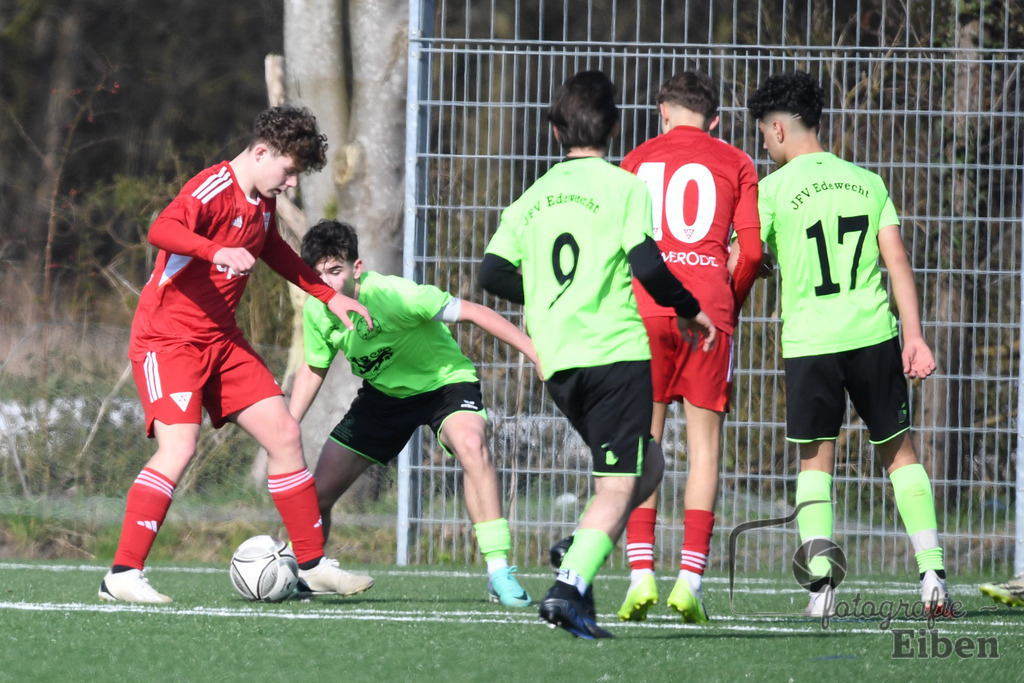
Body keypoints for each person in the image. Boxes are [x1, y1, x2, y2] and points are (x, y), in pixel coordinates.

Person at [100, 107, 375, 603]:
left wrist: (330, 296)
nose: (291, 184)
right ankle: (122, 574)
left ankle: (310, 564)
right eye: (288, 170)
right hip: (168, 341)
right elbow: (161, 229)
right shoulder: (211, 188)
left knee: (285, 433)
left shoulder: (262, 202)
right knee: (178, 449)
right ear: (261, 152)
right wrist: (213, 251)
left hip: (222, 342)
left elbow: (275, 250)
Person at [480, 70, 716, 638]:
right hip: (614, 353)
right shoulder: (624, 186)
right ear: (615, 126)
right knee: (618, 484)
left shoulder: (532, 197)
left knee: (648, 462)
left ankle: (584, 542)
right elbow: (648, 266)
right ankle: (567, 589)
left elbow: (490, 273)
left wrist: (542, 296)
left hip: (559, 361)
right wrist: (690, 309)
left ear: (555, 130)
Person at [748, 71, 948, 617]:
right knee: (899, 454)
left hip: (811, 341)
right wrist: (915, 336)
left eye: (764, 137)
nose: (765, 148)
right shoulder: (867, 181)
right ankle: (932, 574)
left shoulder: (773, 189)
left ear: (778, 130)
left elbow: (750, 257)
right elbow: (898, 263)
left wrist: (761, 266)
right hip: (872, 335)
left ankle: (822, 589)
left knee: (815, 463)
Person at [287, 219, 540, 608]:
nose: (327, 283)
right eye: (317, 275)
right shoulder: (318, 311)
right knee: (316, 494)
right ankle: (309, 573)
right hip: (383, 398)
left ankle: (499, 572)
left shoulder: (395, 295)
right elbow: (314, 368)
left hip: (444, 384)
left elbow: (474, 312)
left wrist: (536, 353)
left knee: (472, 445)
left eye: (335, 271)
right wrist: (287, 424)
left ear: (357, 268)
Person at [612, 70, 763, 623]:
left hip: (645, 311)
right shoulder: (737, 161)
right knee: (703, 449)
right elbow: (749, 251)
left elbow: (620, 243)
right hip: (706, 312)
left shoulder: (635, 158)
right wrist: (728, 302)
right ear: (716, 120)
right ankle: (691, 581)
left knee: (641, 443)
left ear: (662, 112)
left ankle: (639, 575)